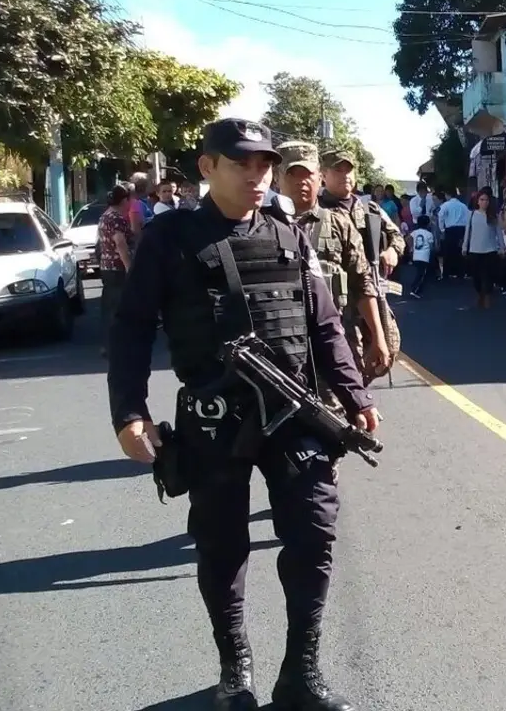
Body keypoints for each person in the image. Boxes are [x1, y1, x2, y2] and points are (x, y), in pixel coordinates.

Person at [107, 118, 379, 710]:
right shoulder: (171, 238)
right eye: (241, 164)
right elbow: (131, 329)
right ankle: (236, 672)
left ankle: (300, 673)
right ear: (207, 168)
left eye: (263, 164)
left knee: (313, 536)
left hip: (295, 415)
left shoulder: (287, 234)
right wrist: (130, 411)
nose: (257, 175)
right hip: (214, 421)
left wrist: (355, 396)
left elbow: (325, 324)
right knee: (222, 546)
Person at [275, 141, 390, 402]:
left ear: (319, 177)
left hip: (336, 343)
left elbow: (363, 284)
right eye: (293, 174)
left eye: (308, 174)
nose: (302, 182)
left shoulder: (338, 224)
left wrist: (377, 337)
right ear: (278, 177)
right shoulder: (260, 225)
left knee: (346, 420)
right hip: (279, 350)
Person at [315, 149, 404, 382]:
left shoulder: (369, 210)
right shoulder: (318, 211)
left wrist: (392, 251)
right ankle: (354, 405)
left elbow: (397, 236)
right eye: (338, 170)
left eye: (349, 170)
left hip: (370, 293)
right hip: (336, 300)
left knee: (388, 348)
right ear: (323, 175)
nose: (345, 175)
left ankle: (359, 394)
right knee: (347, 357)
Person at [97, 183, 136, 357]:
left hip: (107, 268)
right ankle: (118, 345)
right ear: (125, 199)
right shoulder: (117, 218)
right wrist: (130, 269)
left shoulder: (105, 216)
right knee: (120, 308)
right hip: (118, 269)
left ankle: (109, 344)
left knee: (110, 307)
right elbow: (120, 243)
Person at [463, 189, 503, 308]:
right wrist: (465, 246)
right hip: (475, 249)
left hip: (490, 249)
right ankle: (480, 293)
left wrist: (502, 248)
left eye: (486, 200)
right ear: (478, 202)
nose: (484, 202)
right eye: (482, 200)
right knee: (476, 276)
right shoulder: (471, 214)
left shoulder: (492, 216)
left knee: (488, 275)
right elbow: (467, 232)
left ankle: (487, 296)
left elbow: (499, 233)